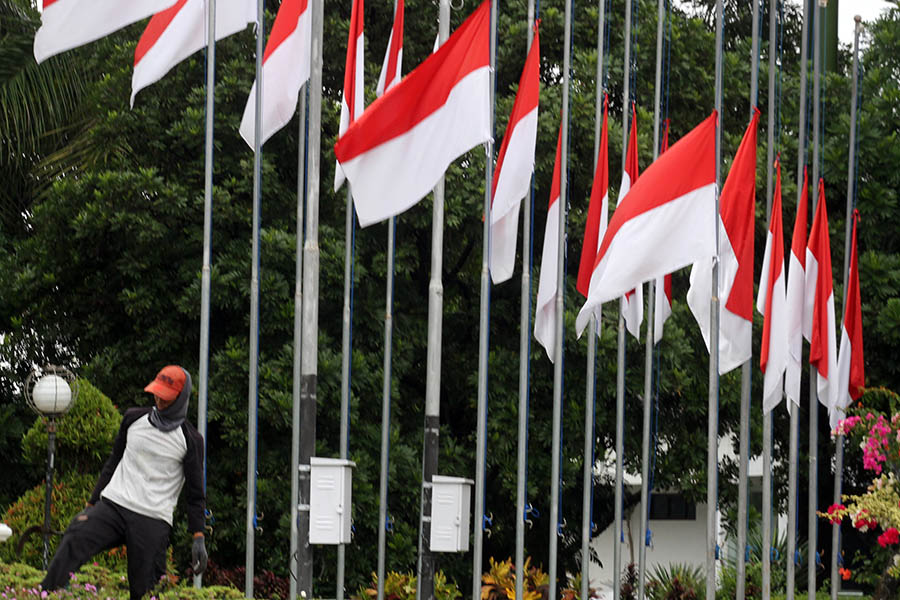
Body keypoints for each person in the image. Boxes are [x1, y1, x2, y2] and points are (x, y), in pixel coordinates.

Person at [41, 365, 208, 600]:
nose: (159, 399)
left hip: (153, 518)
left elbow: (195, 494)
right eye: (157, 393)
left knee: (147, 590)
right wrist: (90, 506)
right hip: (115, 505)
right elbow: (112, 463)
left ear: (181, 398)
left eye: (167, 397)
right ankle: (43, 595)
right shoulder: (133, 419)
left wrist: (198, 536)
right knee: (76, 534)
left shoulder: (190, 440)